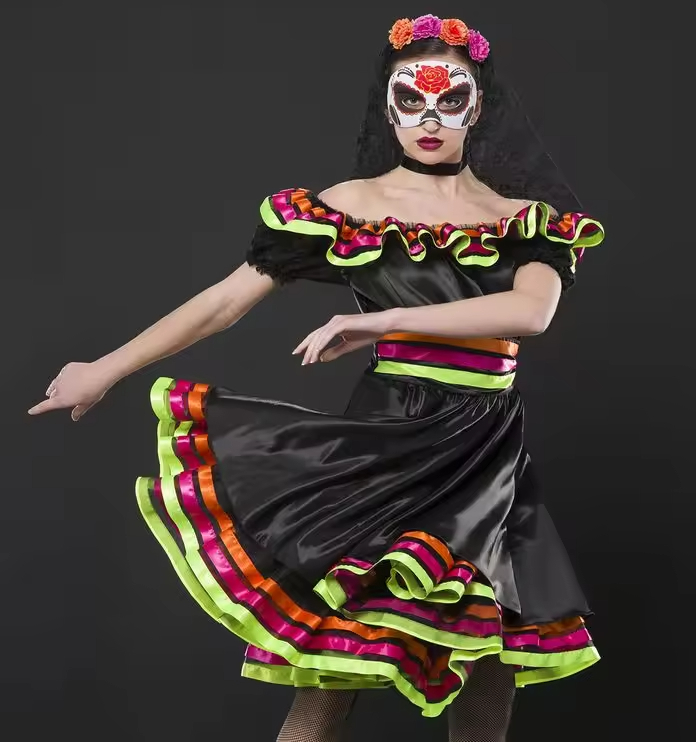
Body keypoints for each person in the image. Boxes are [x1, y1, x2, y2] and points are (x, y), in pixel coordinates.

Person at [29, 14, 605, 742]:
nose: (430, 119)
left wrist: (381, 321)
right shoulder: (350, 206)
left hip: (487, 451)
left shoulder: (527, 220)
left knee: (490, 665)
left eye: (450, 99)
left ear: (478, 105)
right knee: (332, 677)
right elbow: (224, 302)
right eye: (412, 100)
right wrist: (105, 368)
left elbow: (530, 313)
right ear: (388, 107)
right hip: (388, 442)